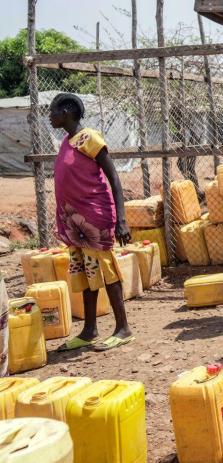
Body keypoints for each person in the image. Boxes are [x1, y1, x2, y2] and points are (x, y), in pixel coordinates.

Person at [48, 93, 134, 352]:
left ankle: (123, 328)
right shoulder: (67, 141)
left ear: (66, 111)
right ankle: (89, 330)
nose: (50, 116)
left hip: (95, 217)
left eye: (52, 111)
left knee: (106, 271)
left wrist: (122, 219)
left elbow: (114, 180)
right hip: (76, 222)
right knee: (86, 272)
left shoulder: (90, 138)